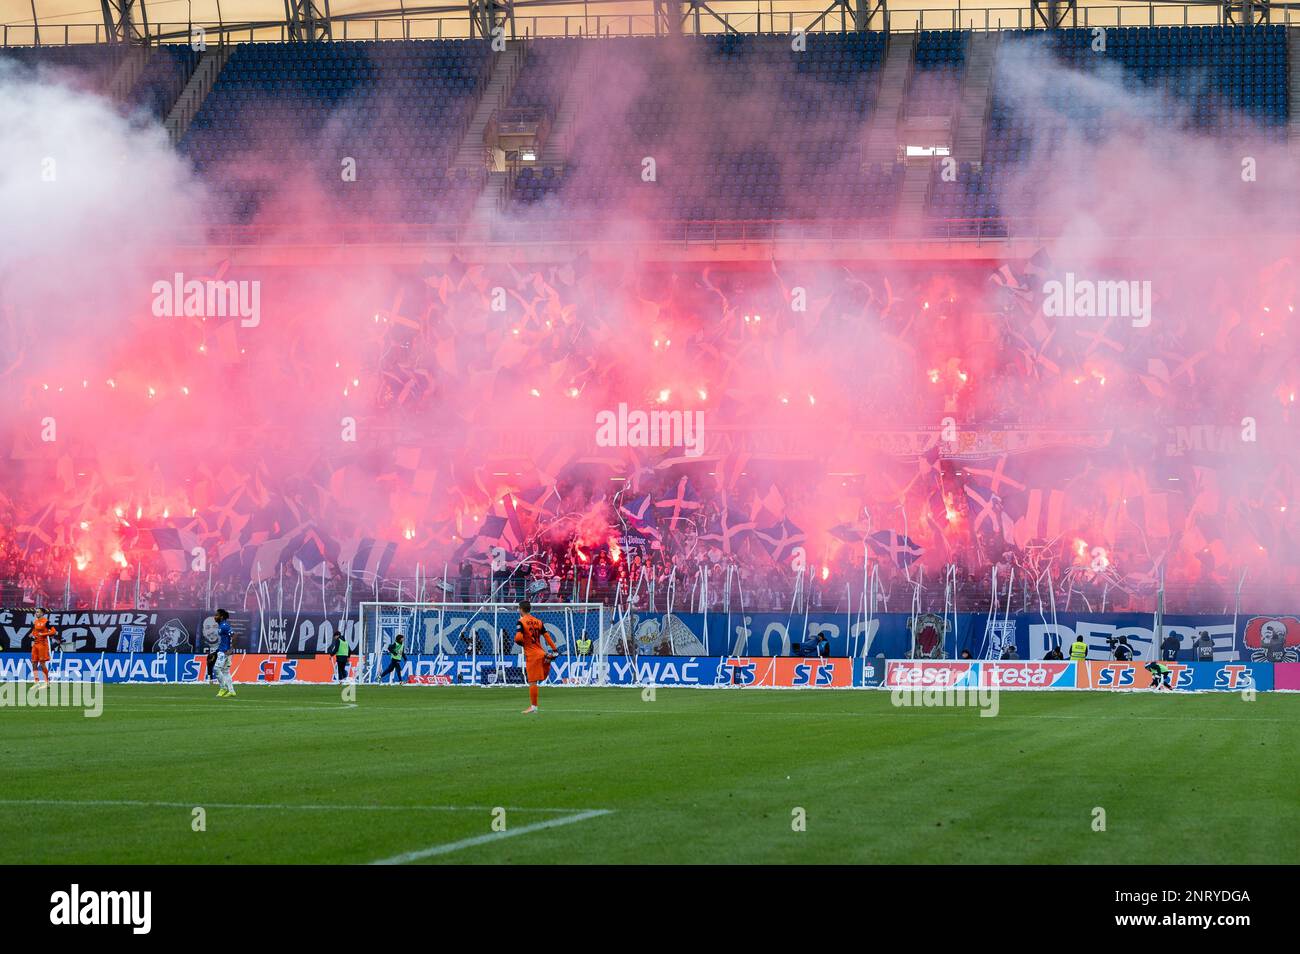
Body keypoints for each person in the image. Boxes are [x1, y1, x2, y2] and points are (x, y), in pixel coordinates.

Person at [514, 600, 557, 714]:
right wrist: (555, 649)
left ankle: (533, 706)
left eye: (519, 608)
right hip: (541, 652)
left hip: (532, 655)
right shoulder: (538, 621)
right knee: (540, 678)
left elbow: (518, 638)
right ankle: (547, 660)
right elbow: (547, 636)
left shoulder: (521, 621)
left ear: (521, 609)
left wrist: (522, 643)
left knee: (532, 682)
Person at [30, 607, 59, 683]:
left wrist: (44, 634)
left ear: (42, 613)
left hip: (42, 645)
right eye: (36, 612)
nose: (36, 613)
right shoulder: (35, 622)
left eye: (38, 612)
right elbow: (34, 631)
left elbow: (54, 632)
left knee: (42, 663)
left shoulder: (46, 622)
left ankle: (47, 681)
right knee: (33, 663)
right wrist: (32, 634)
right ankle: (36, 681)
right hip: (35, 644)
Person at [213, 609, 237, 698]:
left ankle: (223, 688)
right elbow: (225, 639)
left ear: (221, 617)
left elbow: (234, 635)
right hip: (224, 651)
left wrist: (231, 649)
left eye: (216, 615)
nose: (215, 617)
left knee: (216, 668)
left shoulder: (224, 626)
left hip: (224, 652)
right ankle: (231, 691)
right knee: (226, 671)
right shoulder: (221, 625)